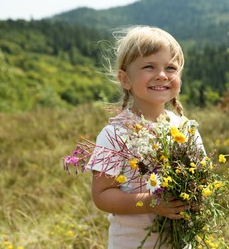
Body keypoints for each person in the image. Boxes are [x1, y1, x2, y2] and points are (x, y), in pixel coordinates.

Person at [86, 26, 204, 249]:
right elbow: (102, 195)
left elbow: (200, 179)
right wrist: (152, 203)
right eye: (149, 66)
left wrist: (196, 196)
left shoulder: (186, 129)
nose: (161, 75)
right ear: (125, 79)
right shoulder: (114, 134)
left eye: (171, 68)